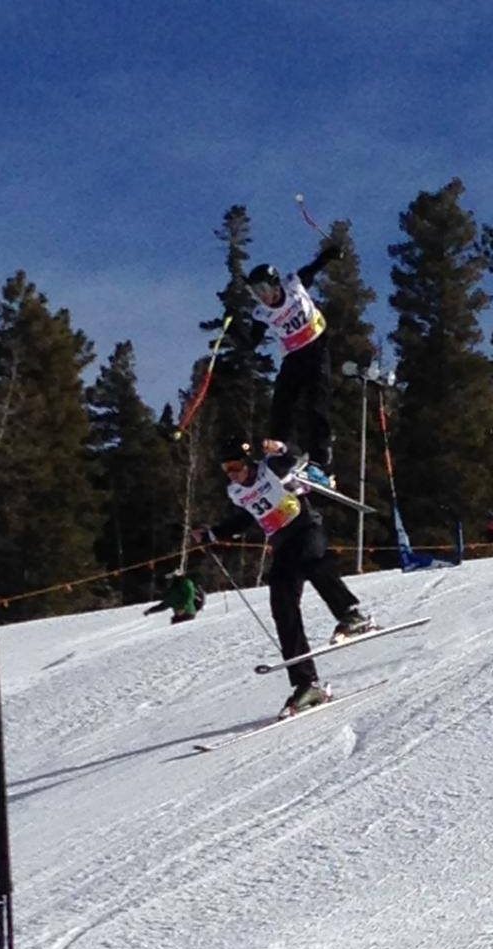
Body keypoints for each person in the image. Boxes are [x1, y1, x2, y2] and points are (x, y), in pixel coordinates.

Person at [192, 436, 375, 718]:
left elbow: (295, 456)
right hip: (282, 543)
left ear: (248, 462)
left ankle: (351, 615)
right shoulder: (236, 492)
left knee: (314, 562)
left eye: (236, 466)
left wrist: (281, 448)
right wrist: (213, 534)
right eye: (226, 469)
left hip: (305, 528)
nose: (232, 474)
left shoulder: (269, 470)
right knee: (282, 606)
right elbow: (244, 518)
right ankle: (307, 683)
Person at [245, 243, 343, 488]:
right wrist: (236, 331)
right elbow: (252, 340)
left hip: (316, 349)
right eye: (256, 292)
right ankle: (281, 452)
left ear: (275, 283)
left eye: (264, 288)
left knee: (315, 405)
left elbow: (314, 267)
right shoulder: (262, 313)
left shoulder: (294, 286)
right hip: (294, 357)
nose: (262, 295)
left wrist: (330, 254)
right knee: (281, 403)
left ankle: (321, 461)